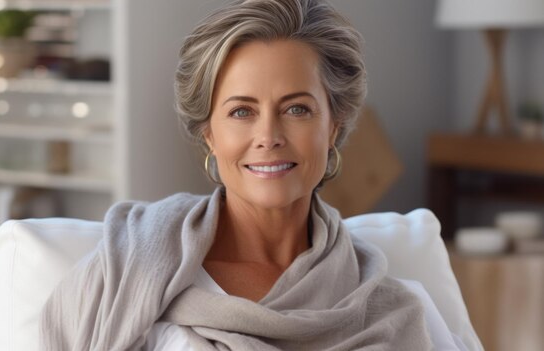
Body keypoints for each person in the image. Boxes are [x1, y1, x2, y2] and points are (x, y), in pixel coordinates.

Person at [40, 0, 466, 350]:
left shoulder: (394, 310)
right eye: (241, 111)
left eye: (296, 109)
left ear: (333, 126)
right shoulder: (128, 267)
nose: (268, 136)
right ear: (209, 134)